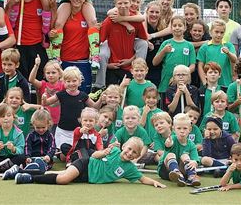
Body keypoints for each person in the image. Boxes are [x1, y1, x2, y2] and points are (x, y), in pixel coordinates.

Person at [14, 137, 166, 188]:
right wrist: (104, 152)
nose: (130, 153)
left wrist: (154, 183)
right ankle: (30, 178)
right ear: (124, 146)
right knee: (63, 179)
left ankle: (21, 172)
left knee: (55, 173)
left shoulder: (129, 168)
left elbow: (142, 178)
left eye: (134, 152)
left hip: (87, 178)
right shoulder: (113, 151)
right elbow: (95, 155)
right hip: (85, 164)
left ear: (136, 156)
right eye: (129, 149)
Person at [94, 0, 148, 88]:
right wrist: (106, 65)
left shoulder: (136, 20)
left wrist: (131, 60)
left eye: (126, 3)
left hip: (129, 67)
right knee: (112, 97)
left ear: (130, 3)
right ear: (115, 4)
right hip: (113, 66)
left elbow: (144, 39)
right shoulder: (110, 20)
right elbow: (99, 41)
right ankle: (98, 87)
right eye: (120, 3)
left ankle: (139, 73)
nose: (123, 6)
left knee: (144, 44)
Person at [43, 67, 99, 158]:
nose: (71, 84)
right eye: (68, 81)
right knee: (63, 157)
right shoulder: (61, 94)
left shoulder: (83, 95)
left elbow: (95, 106)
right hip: (63, 131)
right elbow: (46, 103)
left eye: (74, 81)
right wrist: (44, 98)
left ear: (79, 81)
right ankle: (73, 157)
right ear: (64, 82)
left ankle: (75, 158)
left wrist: (101, 99)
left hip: (79, 132)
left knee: (77, 153)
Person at [5, 0, 50, 79]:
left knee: (41, 82)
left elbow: (51, 23)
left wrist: (53, 7)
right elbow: (4, 21)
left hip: (37, 45)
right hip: (19, 45)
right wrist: (9, 5)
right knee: (20, 84)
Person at [57, 0, 96, 92]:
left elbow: (95, 30)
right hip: (65, 60)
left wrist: (95, 53)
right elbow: (55, 30)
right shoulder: (64, 11)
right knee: (64, 93)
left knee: (83, 93)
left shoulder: (87, 13)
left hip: (82, 61)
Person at [153, 16, 196, 97]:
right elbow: (155, 62)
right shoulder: (166, 43)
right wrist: (163, 51)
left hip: (183, 84)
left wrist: (179, 75)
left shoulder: (189, 45)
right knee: (166, 108)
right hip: (166, 83)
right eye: (174, 25)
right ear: (171, 28)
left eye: (180, 25)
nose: (177, 28)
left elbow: (192, 66)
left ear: (185, 28)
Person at [157, 113, 201, 187]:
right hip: (165, 171)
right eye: (179, 128)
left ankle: (191, 176)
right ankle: (176, 172)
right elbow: (168, 145)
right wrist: (168, 143)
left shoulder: (191, 145)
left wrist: (194, 162)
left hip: (183, 170)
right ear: (174, 129)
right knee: (171, 154)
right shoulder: (172, 139)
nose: (182, 131)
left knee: (185, 156)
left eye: (185, 128)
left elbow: (195, 160)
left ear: (190, 129)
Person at [29, 56, 64, 133]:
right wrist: (36, 65)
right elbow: (31, 80)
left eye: (54, 72)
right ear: (44, 74)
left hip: (59, 119)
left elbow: (68, 78)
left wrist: (59, 69)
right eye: (48, 73)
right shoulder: (43, 84)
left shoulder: (63, 85)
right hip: (45, 120)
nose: (50, 75)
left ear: (59, 74)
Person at [197, 19, 237, 87]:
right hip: (209, 84)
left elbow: (234, 60)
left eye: (221, 32)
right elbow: (200, 66)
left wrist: (228, 53)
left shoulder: (228, 45)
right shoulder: (205, 47)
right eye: (216, 32)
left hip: (225, 83)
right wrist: (204, 82)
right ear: (210, 32)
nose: (219, 35)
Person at [0, 104, 26, 169]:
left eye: (8, 115)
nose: (6, 118)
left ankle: (2, 167)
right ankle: (8, 166)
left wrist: (13, 149)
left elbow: (21, 150)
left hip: (13, 158)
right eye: (3, 116)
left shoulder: (19, 133)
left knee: (22, 157)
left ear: (13, 117)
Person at [143, 1, 171, 86]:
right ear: (147, 12)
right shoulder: (142, 27)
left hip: (159, 68)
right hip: (143, 68)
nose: (154, 14)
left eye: (157, 12)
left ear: (160, 14)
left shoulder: (164, 31)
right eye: (151, 12)